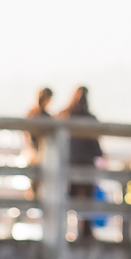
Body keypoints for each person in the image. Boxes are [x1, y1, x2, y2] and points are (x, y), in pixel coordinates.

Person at [59, 87, 103, 239]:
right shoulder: (89, 118)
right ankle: (85, 232)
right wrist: (99, 154)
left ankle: (60, 229)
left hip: (68, 163)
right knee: (86, 200)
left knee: (66, 198)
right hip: (85, 164)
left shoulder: (64, 115)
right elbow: (95, 142)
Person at [25, 87, 54, 197]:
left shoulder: (31, 113)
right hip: (40, 151)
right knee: (41, 180)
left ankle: (32, 202)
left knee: (34, 181)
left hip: (33, 151)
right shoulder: (45, 116)